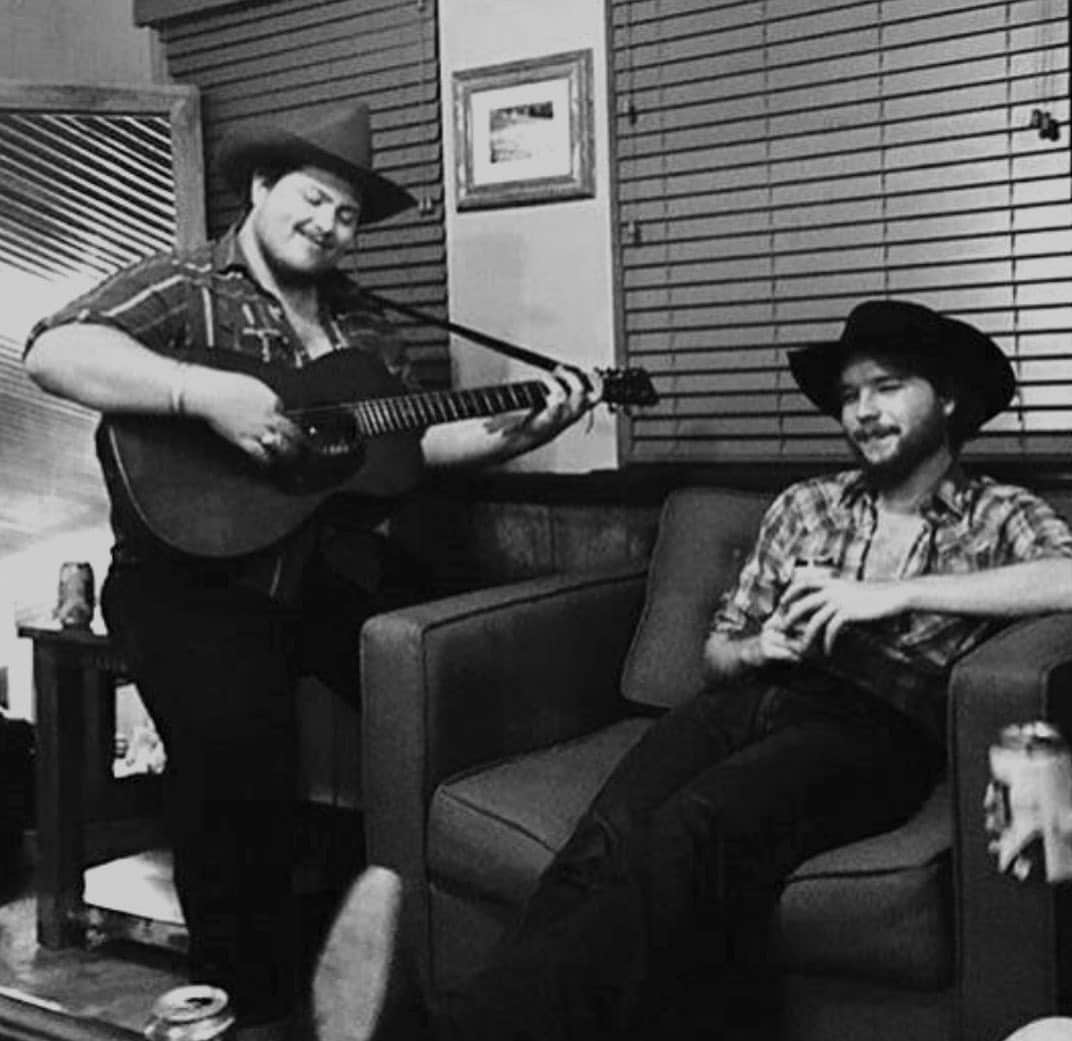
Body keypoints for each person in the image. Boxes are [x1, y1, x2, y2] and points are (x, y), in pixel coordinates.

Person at [311, 298, 1072, 1041]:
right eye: (848, 396)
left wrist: (890, 595)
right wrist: (760, 647)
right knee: (604, 837)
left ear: (947, 397)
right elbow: (718, 652)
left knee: (691, 829)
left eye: (887, 387)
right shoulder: (807, 505)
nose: (863, 411)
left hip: (875, 724)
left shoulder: (998, 513)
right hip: (754, 695)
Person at [22, 101, 597, 1033]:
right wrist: (200, 391)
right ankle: (250, 1009)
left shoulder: (366, 327)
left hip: (319, 564)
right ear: (259, 189)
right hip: (189, 579)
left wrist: (514, 431)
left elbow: (398, 448)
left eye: (347, 215)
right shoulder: (187, 283)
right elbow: (54, 350)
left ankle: (452, 968)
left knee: (457, 685)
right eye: (315, 199)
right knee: (235, 770)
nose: (329, 225)